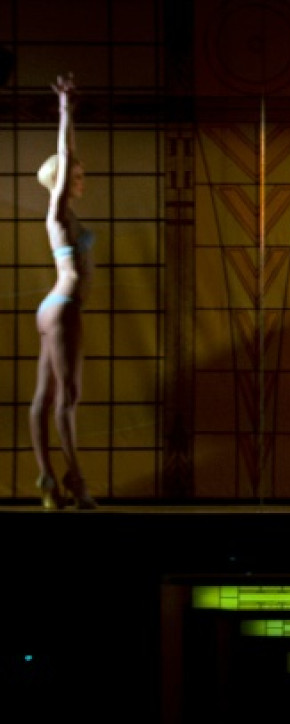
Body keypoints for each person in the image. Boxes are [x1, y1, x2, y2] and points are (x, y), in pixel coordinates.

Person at [32, 73, 96, 510]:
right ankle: (76, 482)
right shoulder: (57, 213)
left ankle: (47, 480)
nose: (81, 175)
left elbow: (69, 155)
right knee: (67, 399)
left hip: (57, 307)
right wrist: (65, 109)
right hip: (64, 305)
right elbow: (65, 150)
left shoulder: (66, 216)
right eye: (75, 172)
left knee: (47, 396)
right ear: (62, 178)